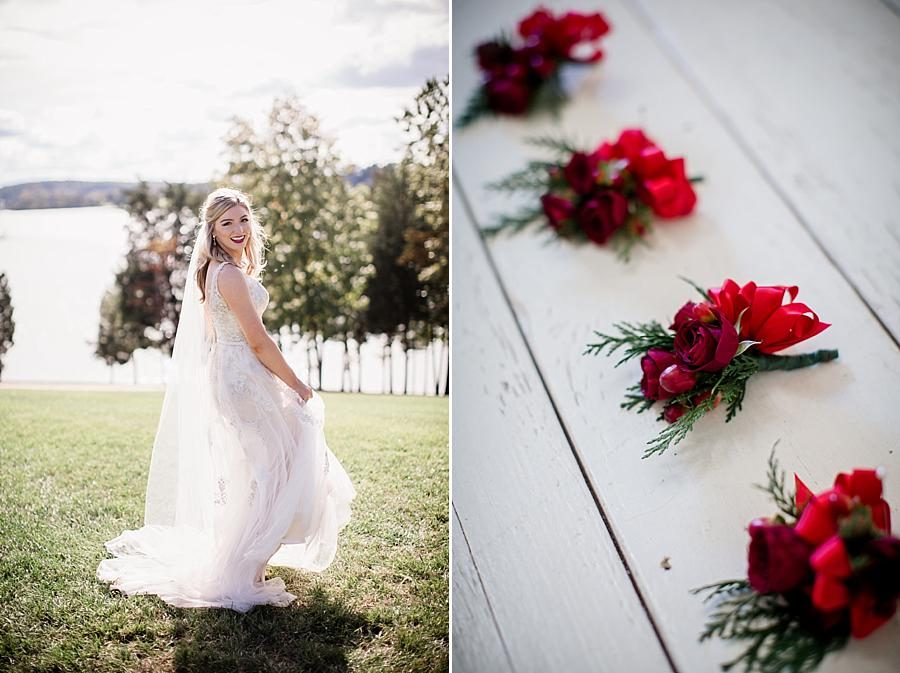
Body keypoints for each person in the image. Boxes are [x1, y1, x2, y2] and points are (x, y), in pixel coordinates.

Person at [97, 187, 355, 612]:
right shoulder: (228, 275)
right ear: (212, 230)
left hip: (234, 374)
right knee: (275, 466)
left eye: (243, 220)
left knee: (264, 468)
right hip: (242, 376)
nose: (238, 229)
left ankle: (250, 557)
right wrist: (297, 384)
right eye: (227, 223)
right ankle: (243, 569)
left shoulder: (217, 270)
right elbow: (257, 341)